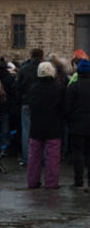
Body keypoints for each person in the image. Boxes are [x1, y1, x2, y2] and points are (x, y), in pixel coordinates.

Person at [25, 61, 65, 189]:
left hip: (36, 126)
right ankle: (51, 183)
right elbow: (63, 107)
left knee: (34, 157)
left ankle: (32, 181)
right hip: (54, 126)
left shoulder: (33, 88)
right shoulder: (59, 88)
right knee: (52, 157)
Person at [66, 59, 90, 190]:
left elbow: (67, 107)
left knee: (78, 154)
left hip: (77, 125)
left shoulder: (73, 86)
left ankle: (78, 180)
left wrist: (69, 121)